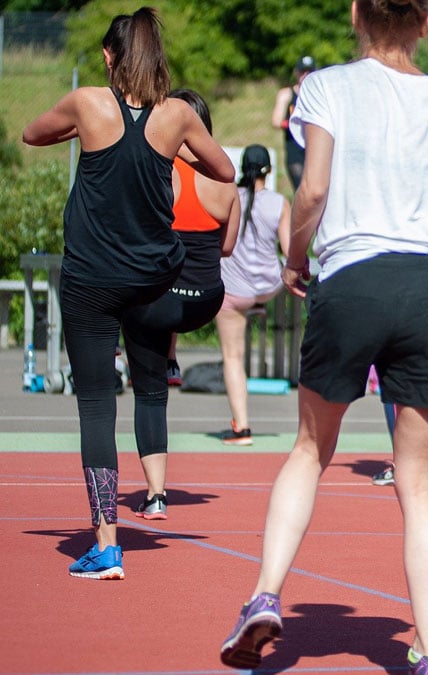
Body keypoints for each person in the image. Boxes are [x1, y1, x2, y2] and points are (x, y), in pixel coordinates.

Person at [218, 2, 428, 673]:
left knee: (310, 449)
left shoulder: (326, 87)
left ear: (358, 12)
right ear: (425, 20)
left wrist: (297, 256)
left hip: (351, 277)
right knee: (418, 481)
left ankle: (264, 594)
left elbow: (312, 190)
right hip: (424, 286)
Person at [22, 7, 234, 580]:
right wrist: (172, 149)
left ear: (111, 58)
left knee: (95, 405)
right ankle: (157, 481)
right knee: (148, 388)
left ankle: (107, 544)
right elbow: (224, 172)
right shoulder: (179, 116)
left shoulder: (89, 103)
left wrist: (85, 133)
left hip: (91, 280)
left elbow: (32, 133)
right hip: (150, 281)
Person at [125, 89, 240, 519]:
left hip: (161, 302)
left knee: (150, 395)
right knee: (167, 286)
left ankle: (156, 494)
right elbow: (227, 248)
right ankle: (170, 354)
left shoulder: (155, 173)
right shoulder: (225, 182)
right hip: (206, 300)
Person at [214, 144, 292, 446]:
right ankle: (259, 306)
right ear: (269, 171)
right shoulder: (279, 202)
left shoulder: (229, 197)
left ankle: (242, 428)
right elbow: (287, 249)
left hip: (233, 292)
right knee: (261, 291)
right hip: (268, 286)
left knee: (233, 358)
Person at [271, 55, 317, 192]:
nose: (306, 75)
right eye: (303, 71)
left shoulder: (318, 94)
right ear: (297, 72)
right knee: (301, 189)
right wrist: (296, 124)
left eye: (309, 71)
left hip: (314, 147)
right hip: (294, 148)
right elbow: (276, 121)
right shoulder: (287, 94)